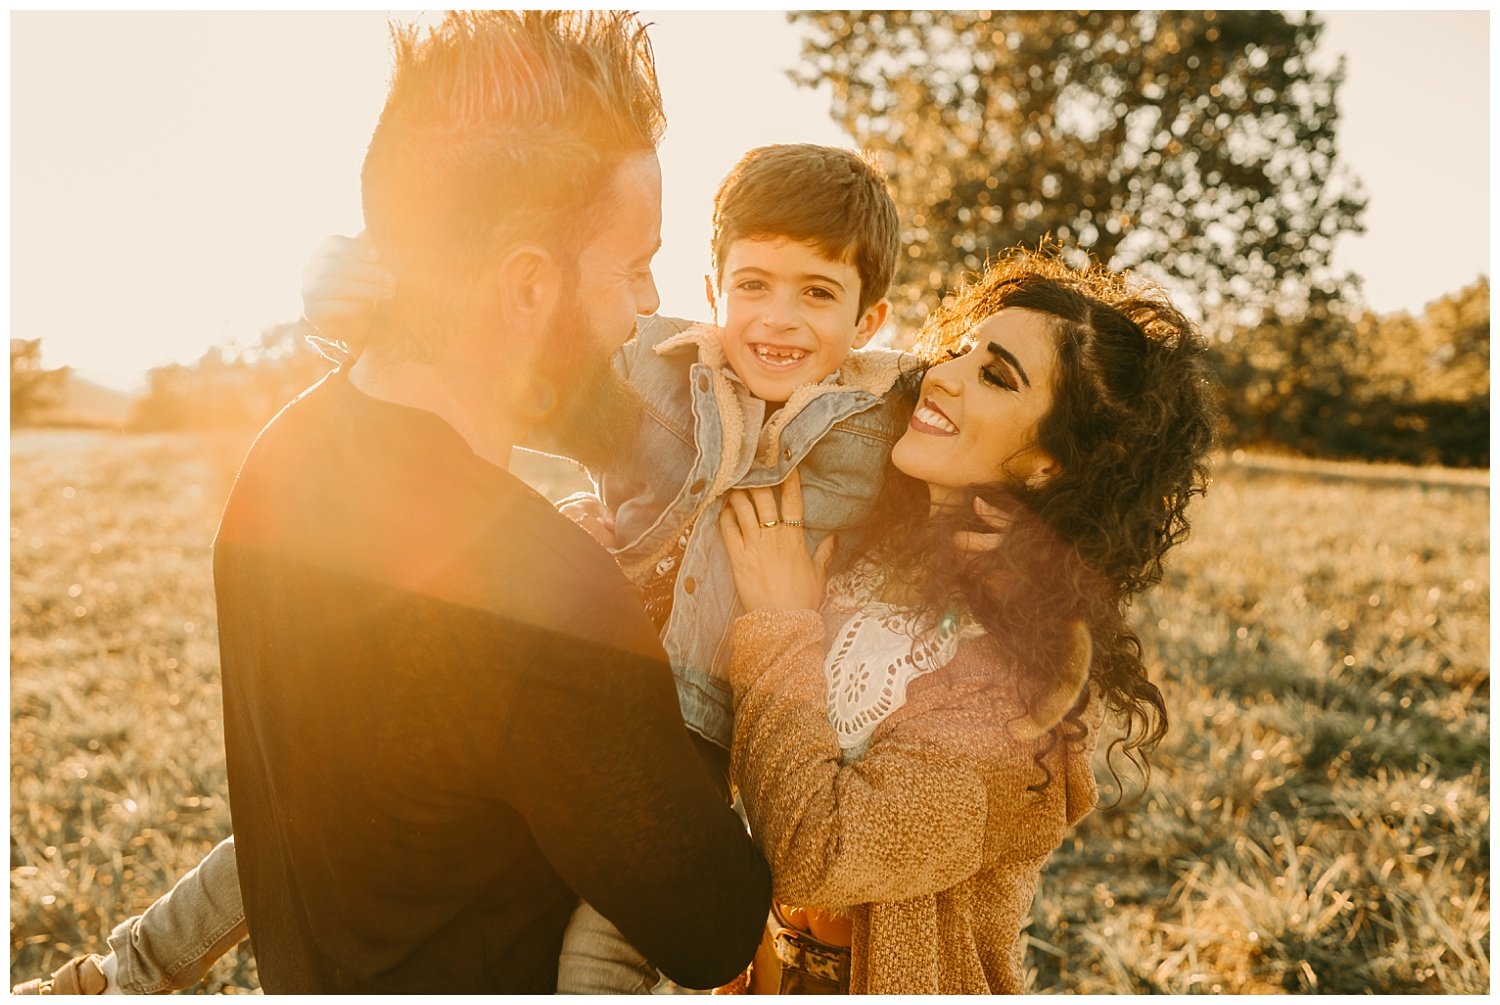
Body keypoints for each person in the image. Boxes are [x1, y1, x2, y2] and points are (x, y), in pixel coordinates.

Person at [17, 142, 917, 994]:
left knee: (610, 937)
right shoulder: (661, 367)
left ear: (869, 317)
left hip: (705, 731)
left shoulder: (885, 432)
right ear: (714, 287)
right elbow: (488, 360)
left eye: (817, 293)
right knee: (286, 831)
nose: (779, 317)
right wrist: (364, 298)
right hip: (586, 661)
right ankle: (123, 970)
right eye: (753, 284)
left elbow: (987, 469)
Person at [713, 250, 1218, 992]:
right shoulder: (867, 543)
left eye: (995, 374)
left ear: (1051, 461)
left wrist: (783, 621)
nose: (941, 373)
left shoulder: (1021, 682)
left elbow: (819, 851)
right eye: (959, 348)